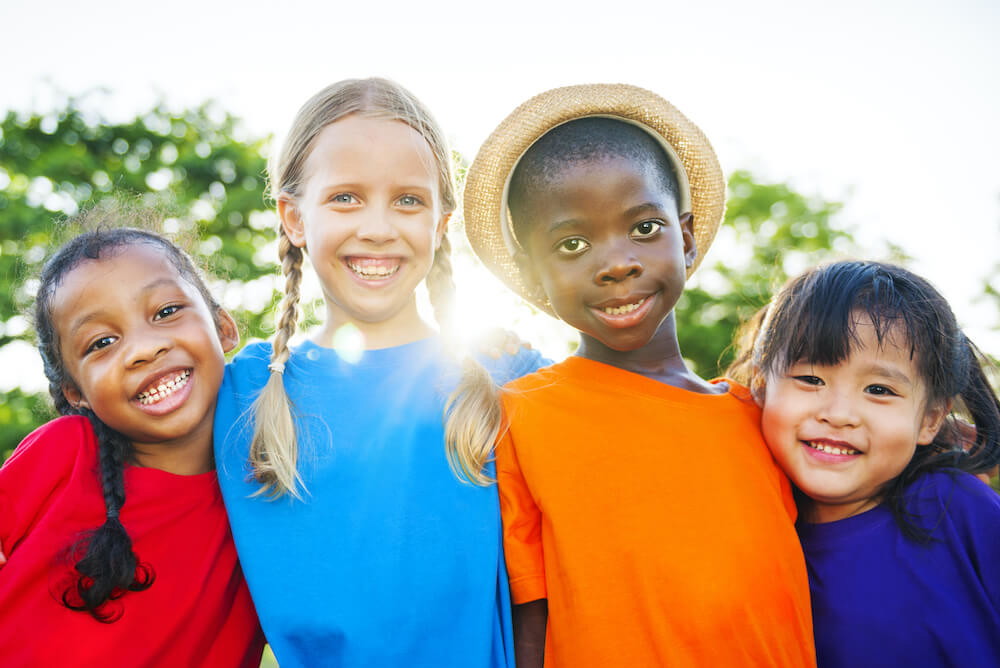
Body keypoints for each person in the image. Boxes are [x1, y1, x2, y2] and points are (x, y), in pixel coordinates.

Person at [462, 83, 815, 667]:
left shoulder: (762, 416)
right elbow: (532, 614)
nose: (617, 263)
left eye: (645, 229)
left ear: (689, 235)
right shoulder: (520, 417)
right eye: (572, 243)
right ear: (533, 274)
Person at [213, 78, 545, 668]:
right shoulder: (241, 390)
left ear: (441, 223)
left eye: (408, 201)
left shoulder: (506, 381)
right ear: (293, 218)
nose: (377, 227)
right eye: (345, 197)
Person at [0, 210, 264, 666]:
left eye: (165, 312)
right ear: (75, 392)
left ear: (224, 328)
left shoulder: (266, 493)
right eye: (101, 342)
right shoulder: (65, 452)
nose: (144, 349)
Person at [733, 260, 1000, 666]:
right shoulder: (753, 534)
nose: (839, 414)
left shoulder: (956, 507)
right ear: (761, 386)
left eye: (879, 389)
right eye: (811, 379)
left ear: (929, 418)